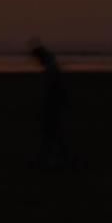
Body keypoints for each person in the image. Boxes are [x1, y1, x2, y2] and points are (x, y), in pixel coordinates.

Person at [28, 37, 69, 166]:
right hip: (54, 104)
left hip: (52, 105)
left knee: (51, 133)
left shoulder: (51, 68)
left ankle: (51, 159)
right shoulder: (52, 65)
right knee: (54, 133)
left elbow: (53, 88)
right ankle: (55, 157)